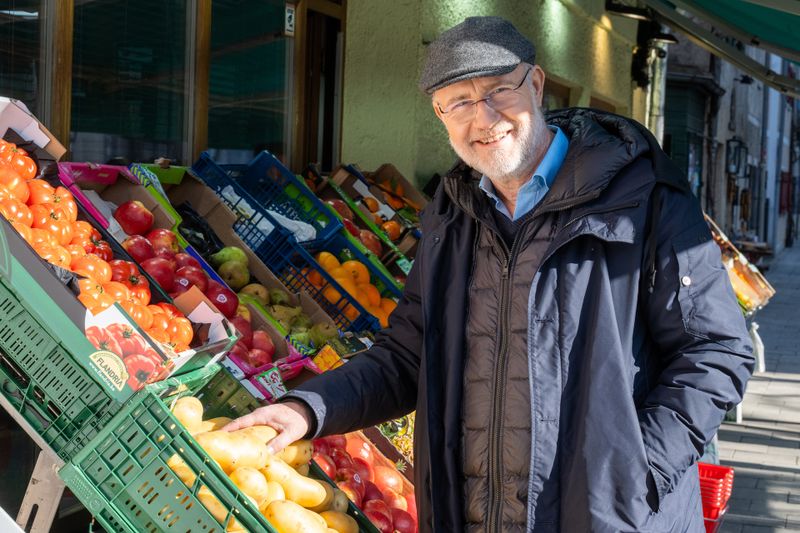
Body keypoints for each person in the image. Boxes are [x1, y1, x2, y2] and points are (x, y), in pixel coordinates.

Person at [225, 16, 754, 532]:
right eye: (458, 102)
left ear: (537, 84)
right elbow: (408, 356)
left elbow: (715, 351)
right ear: (440, 115)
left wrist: (641, 473)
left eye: (500, 89)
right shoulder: (450, 216)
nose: (484, 117)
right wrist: (308, 408)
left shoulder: (642, 196)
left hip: (605, 516)